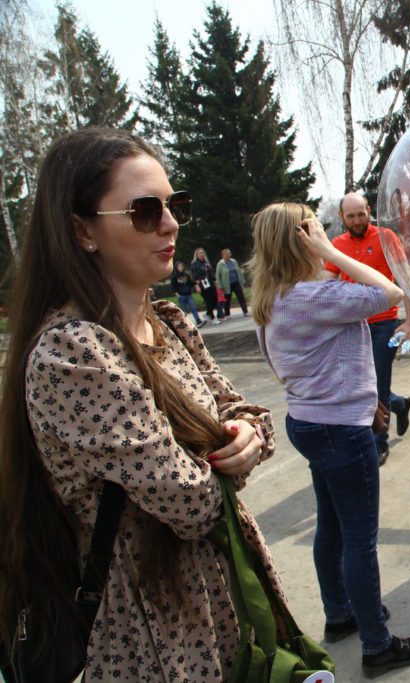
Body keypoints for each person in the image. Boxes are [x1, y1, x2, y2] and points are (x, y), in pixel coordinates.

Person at [0, 127, 278, 680]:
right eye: (146, 211)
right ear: (82, 230)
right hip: (153, 627)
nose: (171, 223)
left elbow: (249, 415)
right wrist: (232, 448)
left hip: (221, 594)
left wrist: (248, 436)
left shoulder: (167, 322)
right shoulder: (72, 353)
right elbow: (192, 501)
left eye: (175, 205)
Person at [248, 202, 410, 677]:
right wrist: (330, 250)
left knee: (330, 527)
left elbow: (288, 367)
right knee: (359, 540)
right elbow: (390, 292)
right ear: (302, 241)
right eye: (315, 229)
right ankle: (377, 645)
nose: (325, 233)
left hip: (310, 421)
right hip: (339, 431)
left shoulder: (273, 299)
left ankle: (340, 614)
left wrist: (357, 397)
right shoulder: (315, 296)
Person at [326, 193, 410, 466]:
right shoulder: (336, 245)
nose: (356, 220)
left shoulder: (386, 237)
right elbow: (326, 283)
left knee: (377, 385)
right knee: (359, 385)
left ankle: (379, 443)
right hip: (352, 325)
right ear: (342, 217)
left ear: (368, 211)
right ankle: (399, 404)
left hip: (385, 324)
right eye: (350, 216)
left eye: (361, 214)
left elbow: (405, 280)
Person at [191, 247, 221, 324]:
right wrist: (196, 285)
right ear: (197, 255)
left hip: (210, 283)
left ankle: (207, 314)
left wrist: (215, 281)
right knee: (208, 301)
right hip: (203, 284)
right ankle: (212, 318)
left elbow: (211, 273)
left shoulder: (206, 262)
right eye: (200, 253)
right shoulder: (195, 264)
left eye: (203, 253)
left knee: (215, 300)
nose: (202, 254)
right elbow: (194, 276)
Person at [216, 247, 248, 317]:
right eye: (227, 254)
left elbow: (239, 271)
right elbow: (218, 276)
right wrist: (220, 286)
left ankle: (245, 311)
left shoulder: (234, 261)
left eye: (229, 253)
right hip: (227, 285)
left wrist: (242, 280)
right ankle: (227, 313)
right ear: (223, 255)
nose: (228, 255)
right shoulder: (220, 264)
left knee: (241, 296)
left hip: (236, 282)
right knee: (227, 299)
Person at [172, 260, 205, 327]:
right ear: (176, 268)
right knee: (184, 311)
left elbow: (191, 282)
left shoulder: (186, 274)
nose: (181, 267)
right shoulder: (174, 277)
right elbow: (173, 286)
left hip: (188, 294)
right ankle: (185, 324)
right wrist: (176, 293)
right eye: (179, 266)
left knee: (193, 307)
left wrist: (196, 284)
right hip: (181, 295)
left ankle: (198, 320)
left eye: (181, 266)